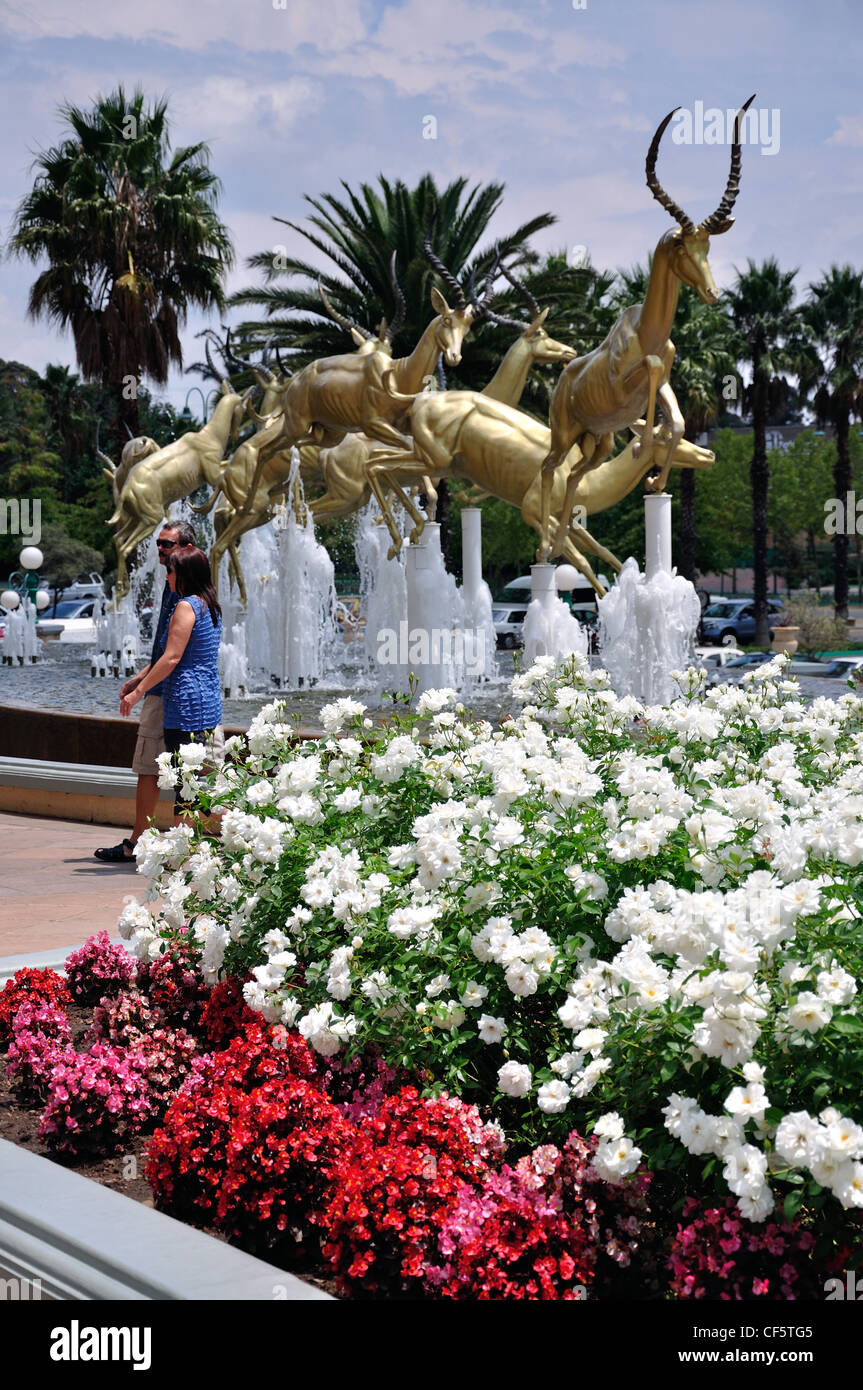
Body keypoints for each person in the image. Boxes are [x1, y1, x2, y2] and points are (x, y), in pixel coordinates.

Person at [95, 521, 196, 862]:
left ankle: (155, 844)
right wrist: (141, 677)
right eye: (158, 544)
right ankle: (145, 841)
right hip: (161, 687)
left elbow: (174, 654)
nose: (160, 550)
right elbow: (164, 650)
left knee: (172, 772)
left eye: (167, 544)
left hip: (174, 694)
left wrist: (141, 690)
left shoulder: (186, 591)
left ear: (185, 546)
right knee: (155, 769)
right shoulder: (175, 585)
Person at [120, 545, 223, 823]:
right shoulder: (209, 604)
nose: (167, 577)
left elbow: (172, 657)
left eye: (171, 571)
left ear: (185, 574)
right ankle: (192, 847)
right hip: (207, 700)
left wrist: (138, 692)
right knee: (191, 780)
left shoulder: (186, 605)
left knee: (185, 784)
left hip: (186, 703)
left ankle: (186, 851)